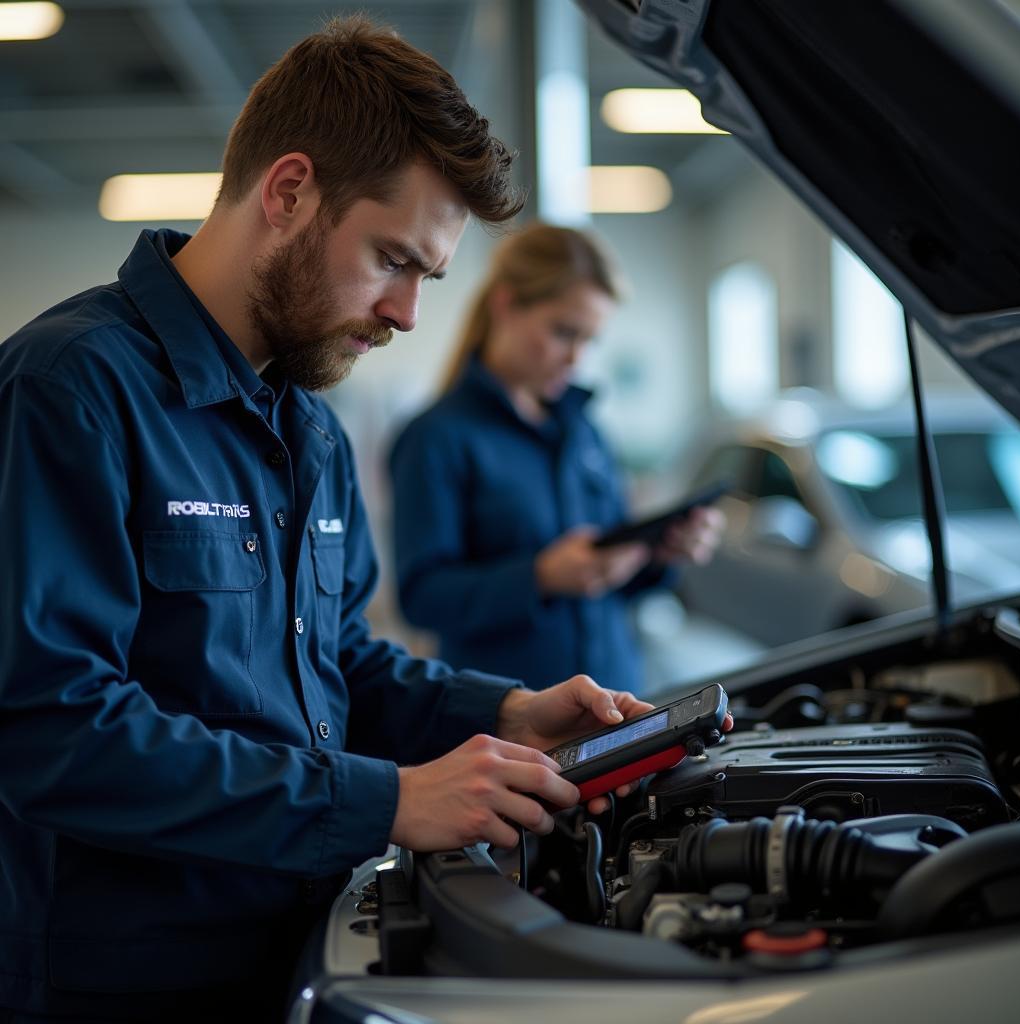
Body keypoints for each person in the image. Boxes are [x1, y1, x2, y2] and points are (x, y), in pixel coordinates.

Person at [0, 20, 663, 1023]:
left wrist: (498, 712)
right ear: (289, 190)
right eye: (392, 260)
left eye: (426, 279)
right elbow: (50, 729)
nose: (406, 314)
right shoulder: (71, 391)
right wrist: (382, 801)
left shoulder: (310, 428)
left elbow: (336, 663)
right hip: (125, 984)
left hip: (302, 956)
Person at [389, 224, 724, 693]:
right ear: (505, 305)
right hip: (511, 726)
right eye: (564, 332)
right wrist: (540, 576)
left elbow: (610, 581)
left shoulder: (584, 429)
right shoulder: (437, 437)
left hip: (615, 704)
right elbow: (421, 600)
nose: (577, 358)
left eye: (590, 340)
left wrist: (659, 554)